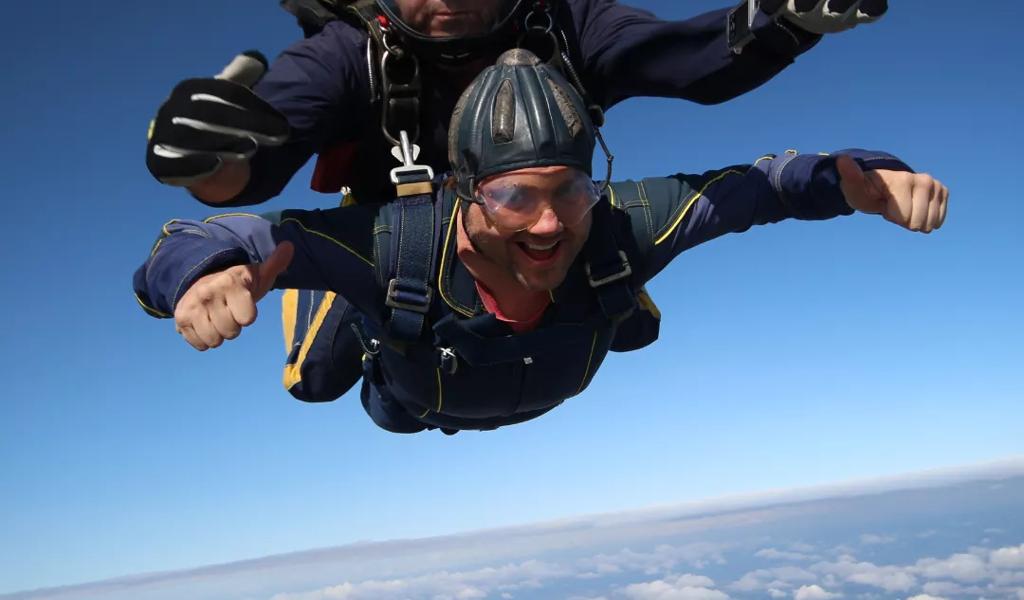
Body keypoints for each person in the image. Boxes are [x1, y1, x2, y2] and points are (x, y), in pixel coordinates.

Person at [134, 49, 946, 434]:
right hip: (415, 380)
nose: (551, 221)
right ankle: (330, 296)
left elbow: (758, 187)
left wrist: (859, 176)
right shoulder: (395, 240)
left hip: (513, 369)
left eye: (572, 189)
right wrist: (205, 271)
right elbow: (205, 234)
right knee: (324, 385)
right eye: (515, 195)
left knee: (622, 297)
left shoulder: (618, 222)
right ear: (461, 190)